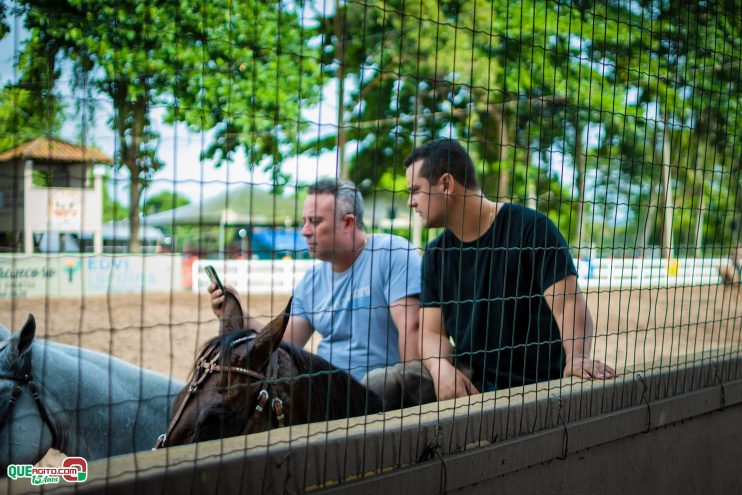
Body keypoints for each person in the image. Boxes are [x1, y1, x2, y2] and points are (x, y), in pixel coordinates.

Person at [404, 138, 616, 401]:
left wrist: (577, 357)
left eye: (415, 190)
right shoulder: (435, 255)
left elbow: (569, 305)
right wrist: (440, 367)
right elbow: (431, 332)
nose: (410, 202)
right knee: (386, 383)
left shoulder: (532, 229)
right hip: (472, 379)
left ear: (446, 184)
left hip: (533, 384)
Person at [210, 178, 435, 409]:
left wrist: (411, 411)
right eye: (304, 221)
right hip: (325, 399)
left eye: (315, 222)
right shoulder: (312, 282)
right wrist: (238, 312)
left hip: (377, 400)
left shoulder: (391, 253)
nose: (305, 231)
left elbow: (412, 329)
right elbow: (283, 343)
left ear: (348, 223)